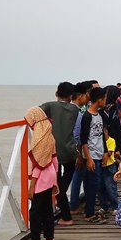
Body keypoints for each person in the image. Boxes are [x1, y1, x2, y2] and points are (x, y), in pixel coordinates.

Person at [11, 107, 59, 240]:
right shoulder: (49, 134)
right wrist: (55, 180)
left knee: (35, 214)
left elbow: (39, 164)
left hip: (42, 179)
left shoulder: (40, 138)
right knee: (47, 211)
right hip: (50, 176)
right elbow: (54, 160)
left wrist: (32, 186)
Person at [39, 82, 79, 226]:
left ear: (56, 93)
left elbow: (32, 115)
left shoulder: (49, 106)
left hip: (54, 152)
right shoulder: (74, 110)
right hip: (70, 152)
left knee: (55, 186)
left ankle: (66, 217)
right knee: (62, 185)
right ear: (70, 96)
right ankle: (63, 212)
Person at [80, 86, 109, 224]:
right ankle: (89, 213)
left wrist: (105, 152)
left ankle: (90, 210)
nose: (106, 101)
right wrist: (88, 158)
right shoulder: (87, 116)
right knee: (92, 184)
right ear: (99, 100)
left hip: (99, 153)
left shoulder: (100, 115)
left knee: (95, 183)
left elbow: (102, 135)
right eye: (105, 99)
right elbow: (83, 140)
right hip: (91, 155)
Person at [68, 82, 91, 213]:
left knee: (75, 176)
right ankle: (74, 205)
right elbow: (77, 134)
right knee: (78, 175)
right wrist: (79, 154)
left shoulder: (67, 108)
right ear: (82, 96)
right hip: (77, 149)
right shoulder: (78, 111)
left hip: (65, 147)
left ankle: (74, 203)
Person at [100, 132, 119, 217]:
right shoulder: (99, 141)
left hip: (110, 166)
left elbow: (109, 153)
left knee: (110, 187)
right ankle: (104, 206)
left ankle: (115, 206)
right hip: (101, 167)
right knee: (101, 188)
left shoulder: (111, 140)